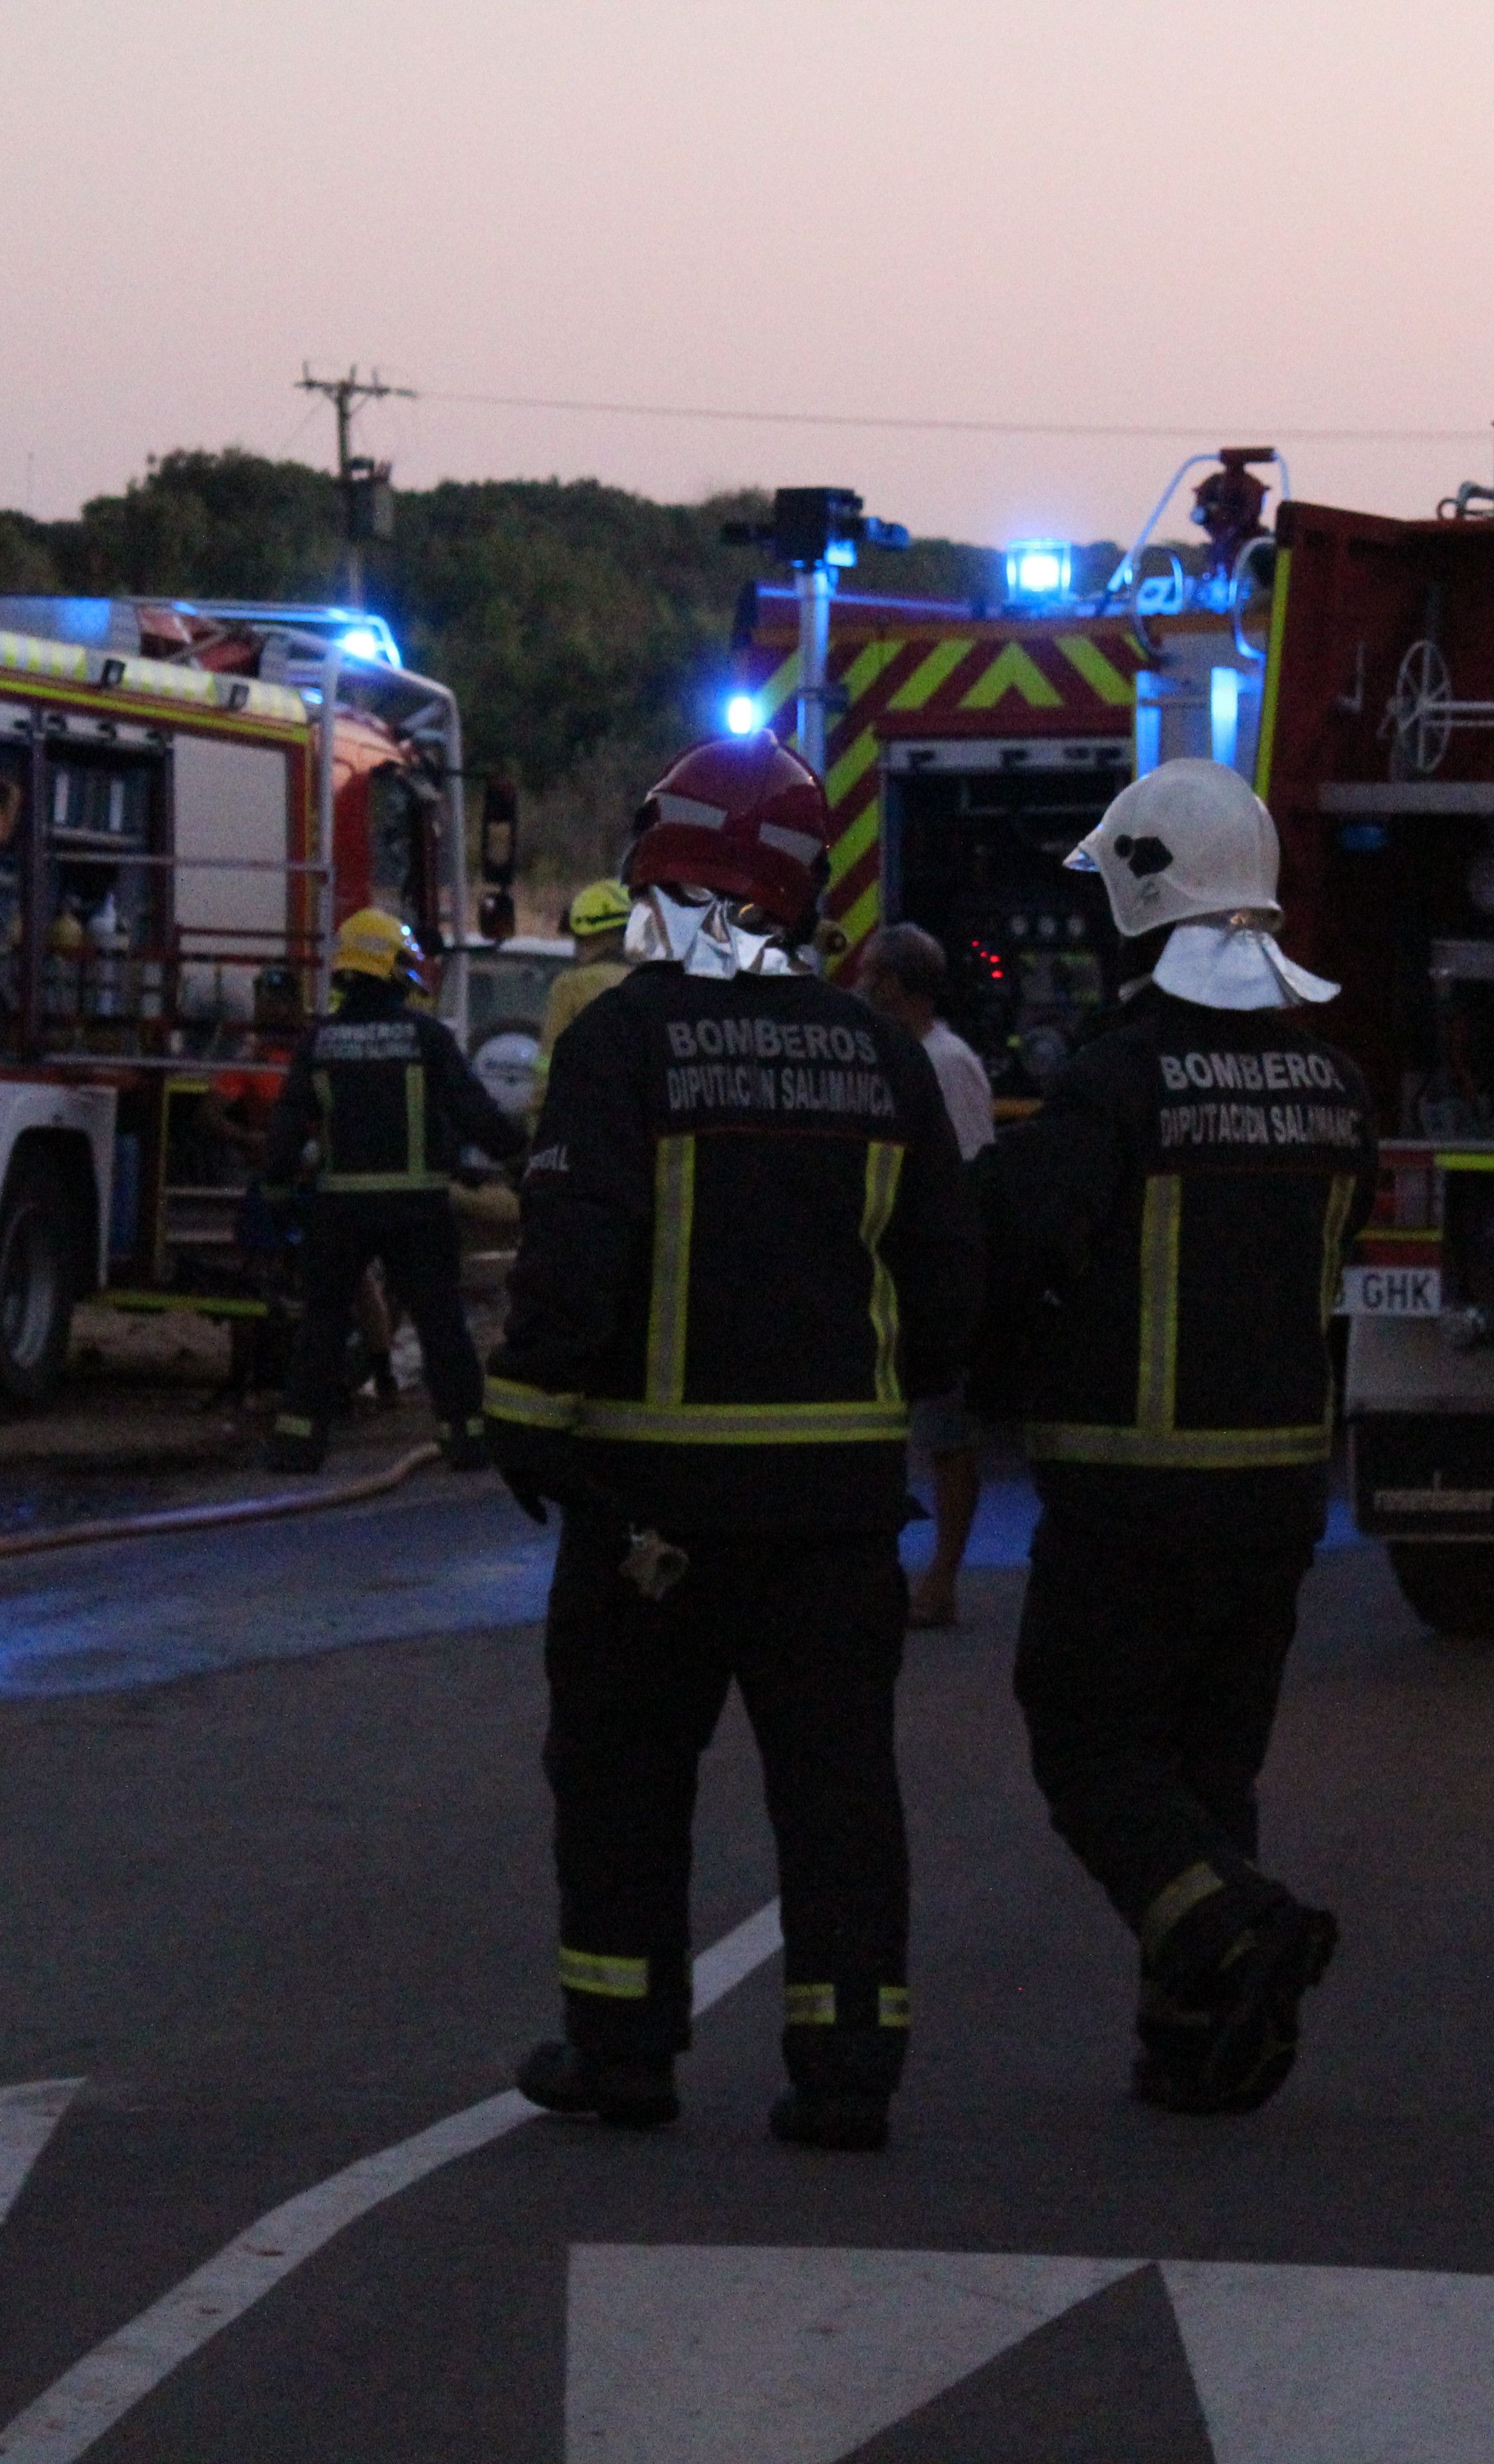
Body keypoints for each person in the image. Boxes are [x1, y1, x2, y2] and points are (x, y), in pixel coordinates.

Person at [485, 736, 979, 2153]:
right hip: (834, 1519)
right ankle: (847, 2074)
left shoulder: (624, 1039)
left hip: (653, 1509)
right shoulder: (885, 1055)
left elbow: (574, 1243)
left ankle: (623, 2052)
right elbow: (948, 1284)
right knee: (837, 1796)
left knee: (625, 1783)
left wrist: (528, 1412)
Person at [973, 759, 1377, 2118]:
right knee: (1209, 1769)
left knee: (1085, 1742)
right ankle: (1202, 2044)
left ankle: (1235, 1933)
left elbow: (1011, 1232)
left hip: (1130, 1485)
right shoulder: (1331, 1079)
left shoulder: (1118, 1076)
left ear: (1147, 895)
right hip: (1278, 1494)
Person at [264, 907, 526, 1474]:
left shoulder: (321, 1042)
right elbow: (473, 1110)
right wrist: (520, 1156)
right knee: (441, 1327)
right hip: (418, 1209)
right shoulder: (425, 1036)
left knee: (323, 1323)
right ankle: (466, 1437)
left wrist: (276, 1187)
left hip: (341, 1208)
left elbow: (287, 1125)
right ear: (391, 968)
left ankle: (297, 1442)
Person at [857, 925, 996, 1629]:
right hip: (883, 1272)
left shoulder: (948, 1064)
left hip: (929, 1278)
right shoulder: (880, 1057)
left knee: (947, 1436)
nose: (860, 982)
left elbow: (970, 1172)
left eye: (872, 973)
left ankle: (941, 1578)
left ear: (899, 986)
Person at [527, 878, 634, 1119]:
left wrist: (537, 1123)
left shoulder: (571, 987)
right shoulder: (653, 985)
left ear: (591, 935)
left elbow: (549, 1067)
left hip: (589, 1128)